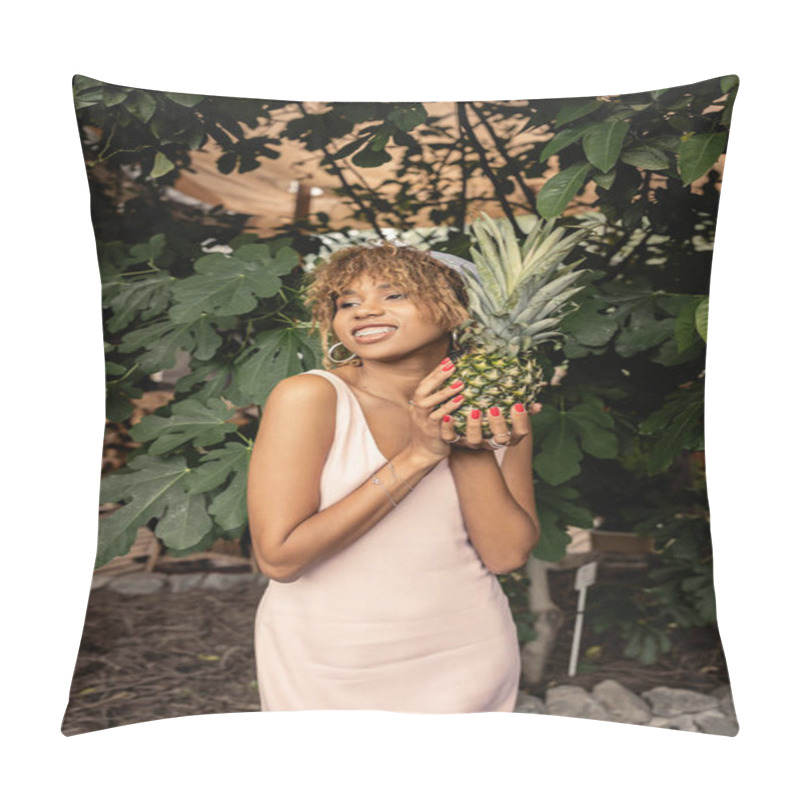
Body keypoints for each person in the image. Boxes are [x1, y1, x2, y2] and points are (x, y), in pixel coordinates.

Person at [247, 241, 541, 713]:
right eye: (347, 301)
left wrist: (471, 447)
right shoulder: (310, 397)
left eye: (394, 294)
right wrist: (418, 456)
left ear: (457, 309)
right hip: (326, 662)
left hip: (467, 652)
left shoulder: (500, 409)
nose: (365, 311)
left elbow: (506, 554)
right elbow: (280, 559)